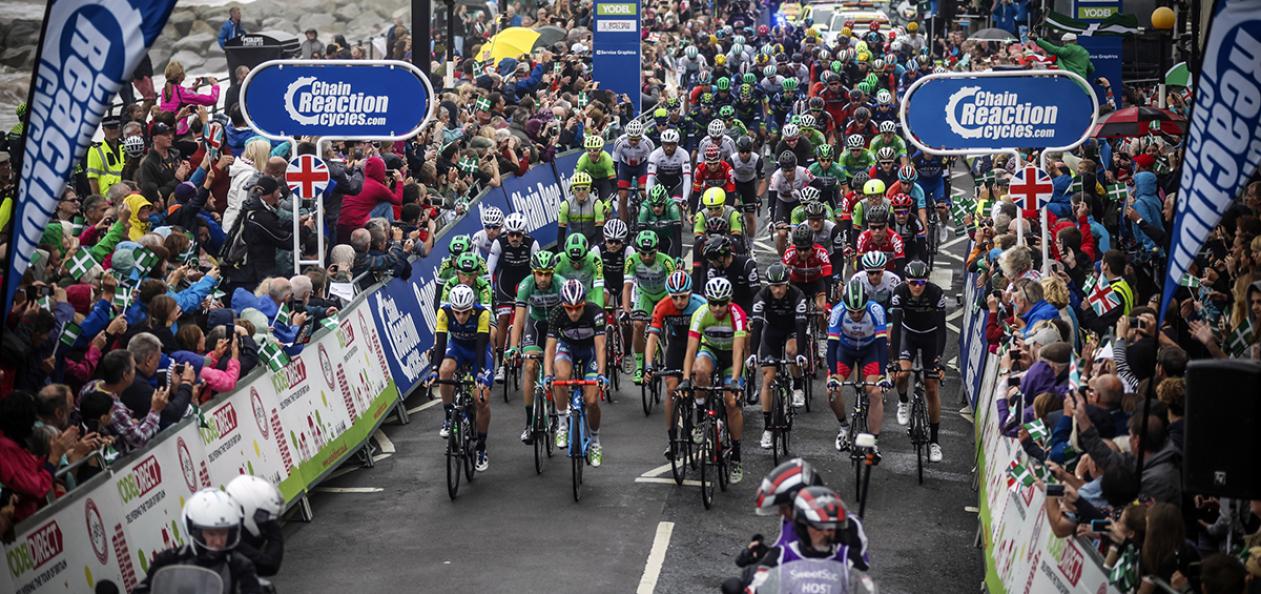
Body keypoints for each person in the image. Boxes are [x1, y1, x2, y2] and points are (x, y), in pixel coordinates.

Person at [677, 277, 749, 483]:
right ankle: (700, 417)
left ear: (730, 301)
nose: (717, 308)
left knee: (731, 402)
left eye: (722, 303)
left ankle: (736, 455)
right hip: (711, 351)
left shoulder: (737, 315)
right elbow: (691, 350)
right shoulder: (700, 314)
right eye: (713, 303)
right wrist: (684, 378)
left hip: (730, 358)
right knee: (699, 371)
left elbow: (738, 351)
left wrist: (734, 380)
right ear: (707, 302)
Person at [134, 488, 261, 594]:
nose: (218, 541)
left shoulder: (240, 565)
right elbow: (143, 590)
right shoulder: (168, 560)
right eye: (211, 533)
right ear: (195, 531)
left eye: (223, 533)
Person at [543, 279, 609, 466]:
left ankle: (595, 442)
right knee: (561, 377)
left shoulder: (595, 312)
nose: (573, 312)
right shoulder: (556, 313)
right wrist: (548, 375)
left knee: (591, 400)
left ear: (584, 303)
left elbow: (601, 346)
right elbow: (549, 348)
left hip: (590, 353)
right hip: (568, 348)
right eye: (569, 308)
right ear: (563, 305)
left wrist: (602, 374)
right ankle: (562, 423)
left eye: (577, 308)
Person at [429, 284, 494, 472]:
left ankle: (481, 446)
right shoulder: (444, 312)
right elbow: (441, 343)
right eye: (457, 313)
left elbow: (482, 346)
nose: (461, 317)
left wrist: (481, 373)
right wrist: (434, 369)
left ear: (471, 308)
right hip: (457, 347)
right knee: (444, 372)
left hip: (477, 352)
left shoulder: (482, 314)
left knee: (482, 399)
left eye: (465, 313)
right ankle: (449, 415)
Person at [888, 261, 948, 463]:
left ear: (927, 280)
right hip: (908, 334)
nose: (917, 286)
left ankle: (934, 441)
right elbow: (896, 328)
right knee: (902, 373)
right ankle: (904, 401)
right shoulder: (899, 292)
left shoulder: (936, 293)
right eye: (913, 282)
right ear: (906, 281)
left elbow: (942, 329)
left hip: (931, 336)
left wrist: (939, 360)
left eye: (921, 282)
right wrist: (894, 359)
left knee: (931, 387)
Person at [645, 271, 707, 458]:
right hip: (677, 345)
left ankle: (701, 415)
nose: (679, 301)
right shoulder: (662, 306)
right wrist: (648, 365)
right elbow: (653, 337)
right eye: (675, 297)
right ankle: (672, 441)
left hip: (698, 343)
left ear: (690, 293)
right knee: (671, 390)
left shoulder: (700, 304)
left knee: (698, 376)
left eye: (683, 297)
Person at [826, 279, 891, 457]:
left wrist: (883, 375)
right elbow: (831, 347)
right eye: (852, 311)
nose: (855, 315)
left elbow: (881, 345)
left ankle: (873, 442)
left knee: (875, 392)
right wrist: (832, 377)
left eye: (860, 311)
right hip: (845, 351)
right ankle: (844, 428)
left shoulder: (876, 310)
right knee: (832, 391)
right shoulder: (838, 311)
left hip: (870, 351)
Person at [749, 263, 810, 449]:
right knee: (768, 377)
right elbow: (758, 326)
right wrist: (752, 353)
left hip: (792, 329)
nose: (777, 290)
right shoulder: (761, 296)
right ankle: (768, 428)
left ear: (787, 284)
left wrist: (800, 354)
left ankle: (798, 386)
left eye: (780, 286)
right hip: (772, 332)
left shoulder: (798, 296)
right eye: (773, 286)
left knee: (792, 352)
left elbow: (801, 326)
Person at [508, 251, 565, 444]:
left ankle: (560, 414)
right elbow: (518, 321)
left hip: (558, 326)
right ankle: (528, 423)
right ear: (533, 273)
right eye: (539, 273)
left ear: (553, 273)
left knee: (559, 367)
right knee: (530, 366)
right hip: (537, 325)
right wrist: (513, 348)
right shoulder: (526, 285)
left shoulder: (561, 284)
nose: (543, 278)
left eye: (547, 274)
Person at [622, 230, 677, 384]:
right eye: (643, 253)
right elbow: (627, 288)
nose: (647, 257)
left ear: (657, 249)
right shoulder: (631, 261)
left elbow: (674, 288)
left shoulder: (666, 261)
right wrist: (626, 311)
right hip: (644, 294)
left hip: (664, 294)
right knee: (638, 325)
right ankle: (640, 366)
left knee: (674, 328)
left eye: (651, 253)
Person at [224, 475, 284, 579]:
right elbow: (269, 565)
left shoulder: (231, 525)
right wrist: (274, 530)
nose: (265, 521)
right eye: (261, 516)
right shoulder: (227, 538)